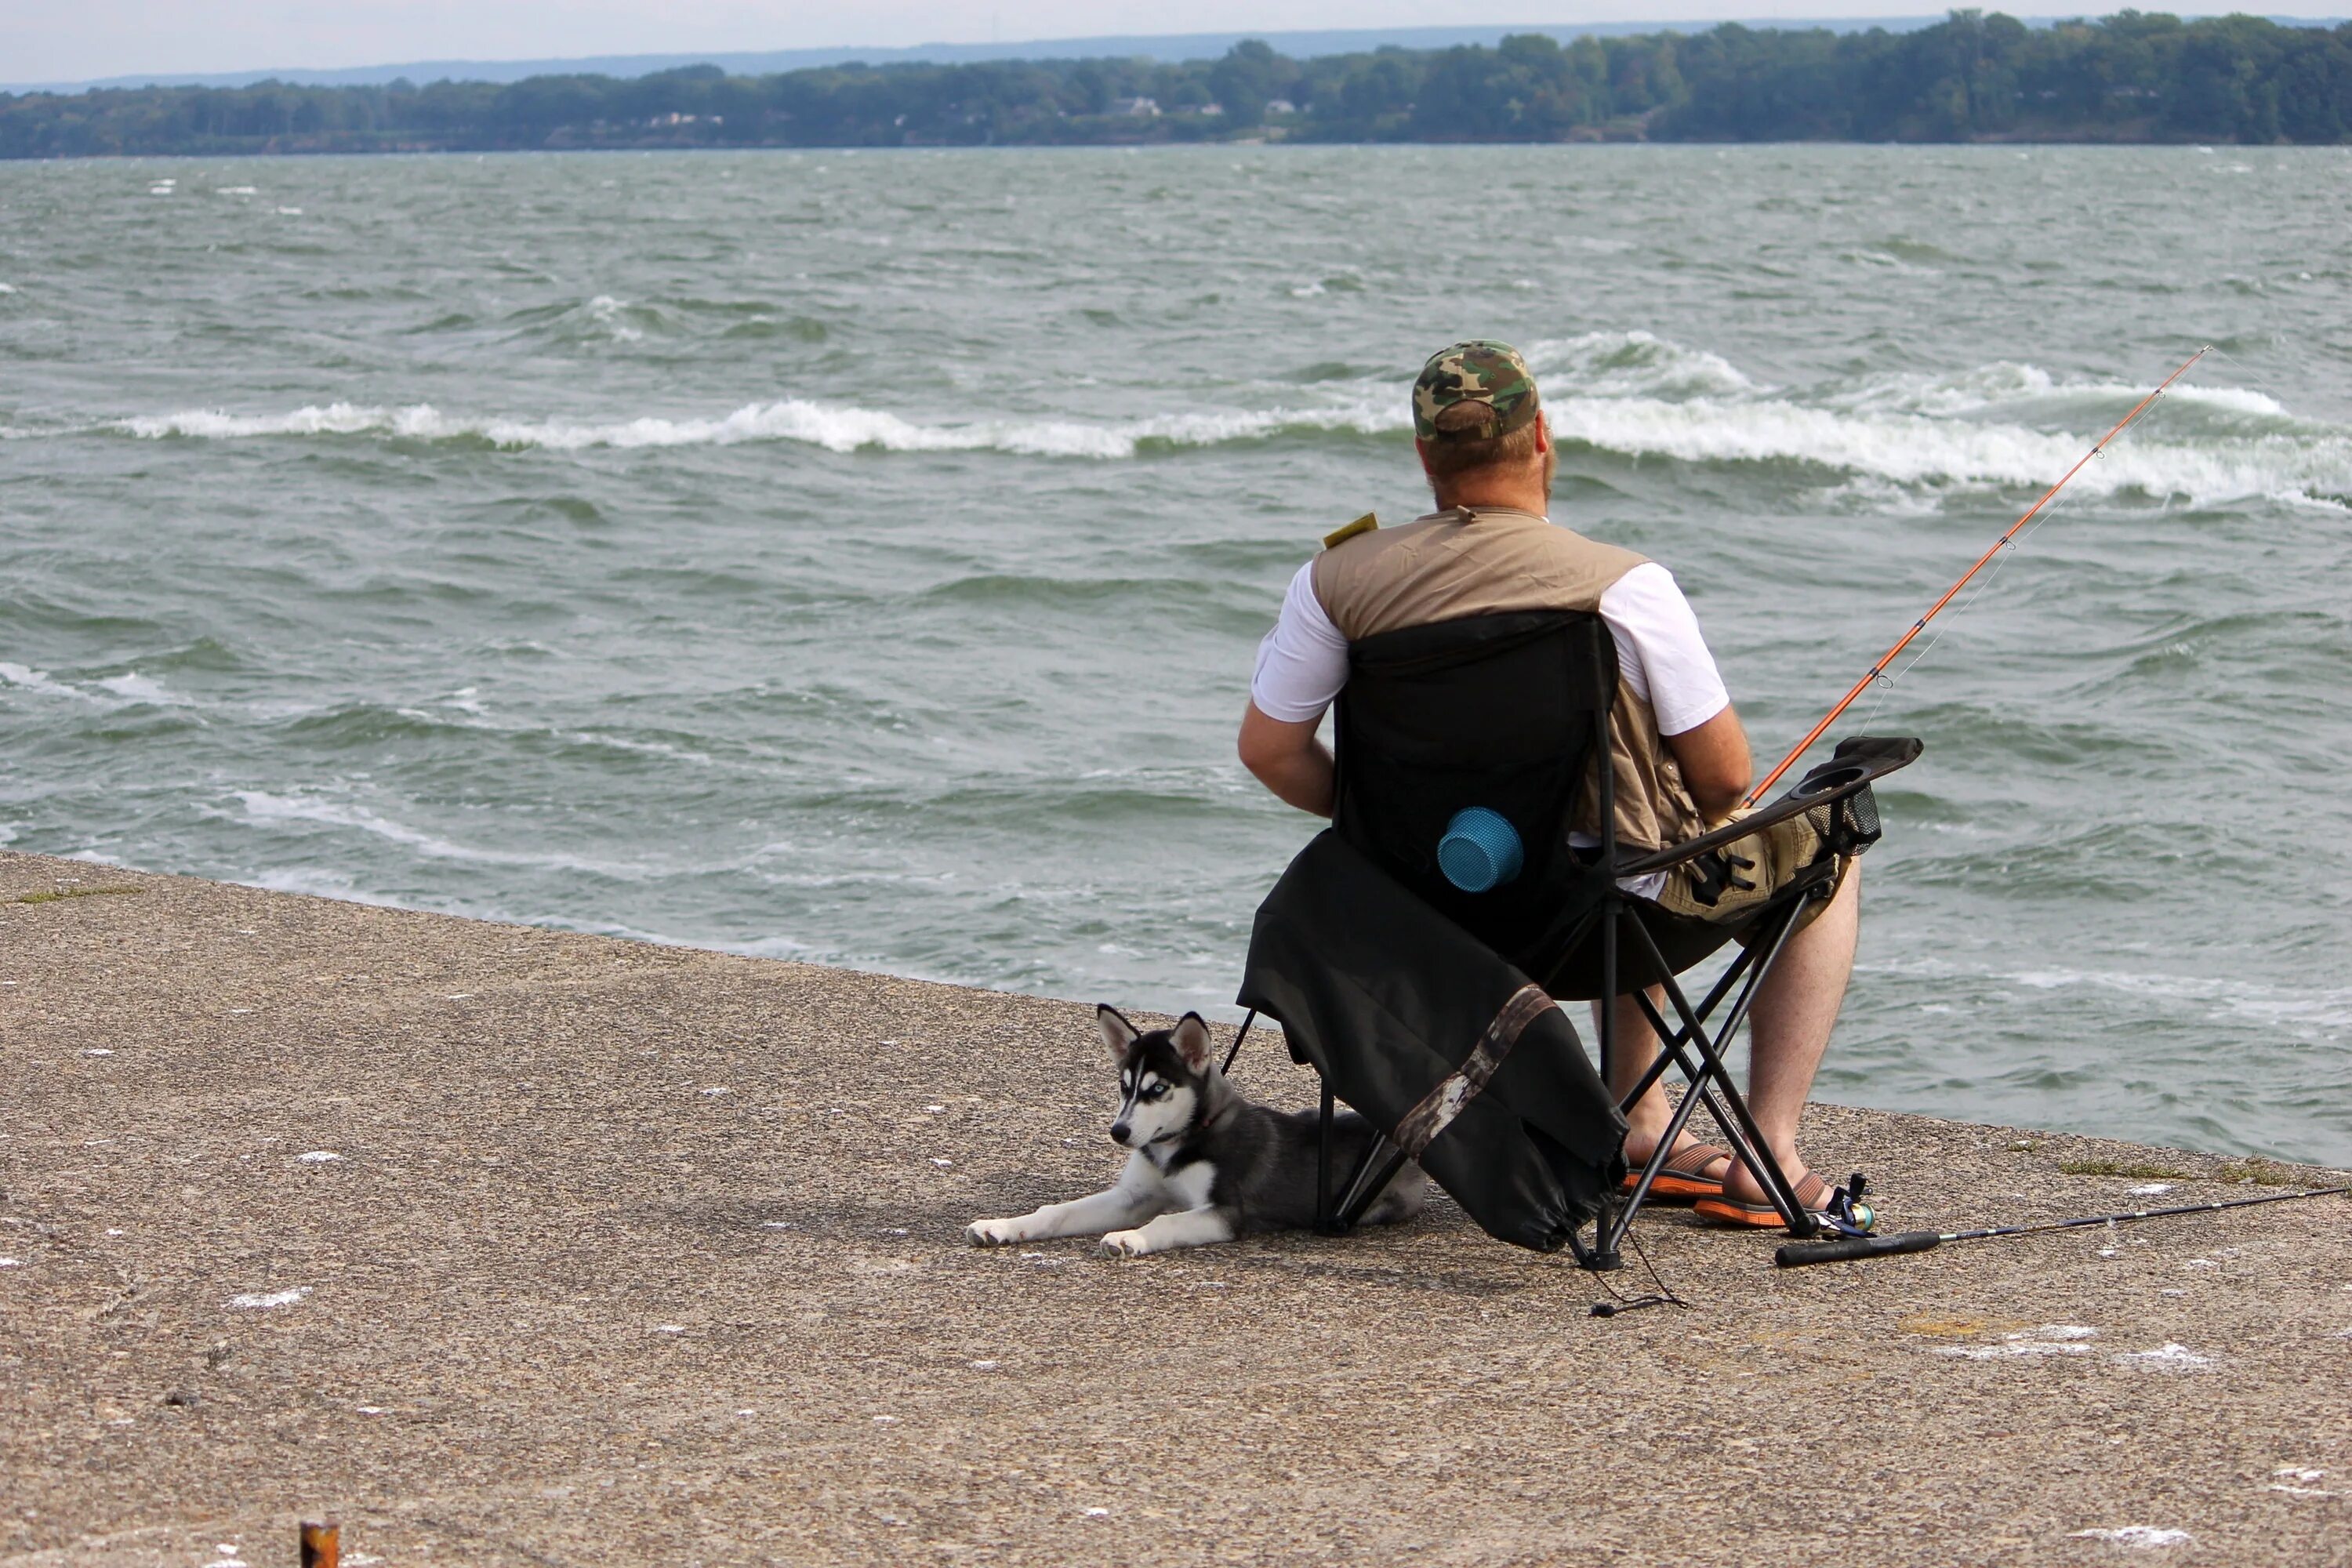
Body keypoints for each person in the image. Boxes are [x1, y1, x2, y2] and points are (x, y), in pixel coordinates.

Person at [1235, 340, 1862, 1227]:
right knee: (1822, 846)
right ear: (1542, 440)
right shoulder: (1624, 586)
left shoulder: (1335, 582)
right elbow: (1725, 776)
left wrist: (1384, 822)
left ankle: (1642, 1119)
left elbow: (1270, 750)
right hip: (1598, 926)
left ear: (1424, 457)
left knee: (1624, 831)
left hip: (1426, 928)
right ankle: (1769, 1152)